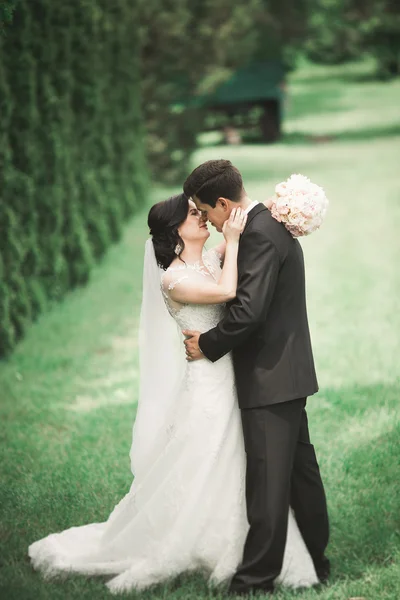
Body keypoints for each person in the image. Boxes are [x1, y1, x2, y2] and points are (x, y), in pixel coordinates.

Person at [28, 192, 321, 595]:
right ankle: (206, 543)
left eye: (200, 210)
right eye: (191, 215)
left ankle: (239, 544)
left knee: (239, 465)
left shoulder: (209, 260)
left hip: (233, 378)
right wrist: (234, 242)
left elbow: (238, 238)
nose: (201, 217)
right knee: (207, 461)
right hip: (208, 385)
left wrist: (264, 210)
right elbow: (226, 292)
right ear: (174, 232)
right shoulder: (175, 278)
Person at [183, 159, 330, 596]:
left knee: (267, 485)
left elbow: (249, 312)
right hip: (285, 374)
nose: (207, 220)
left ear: (224, 203)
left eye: (207, 211)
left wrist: (206, 344)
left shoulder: (260, 235)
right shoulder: (264, 227)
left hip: (270, 376)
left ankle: (255, 580)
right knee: (300, 476)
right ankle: (316, 563)